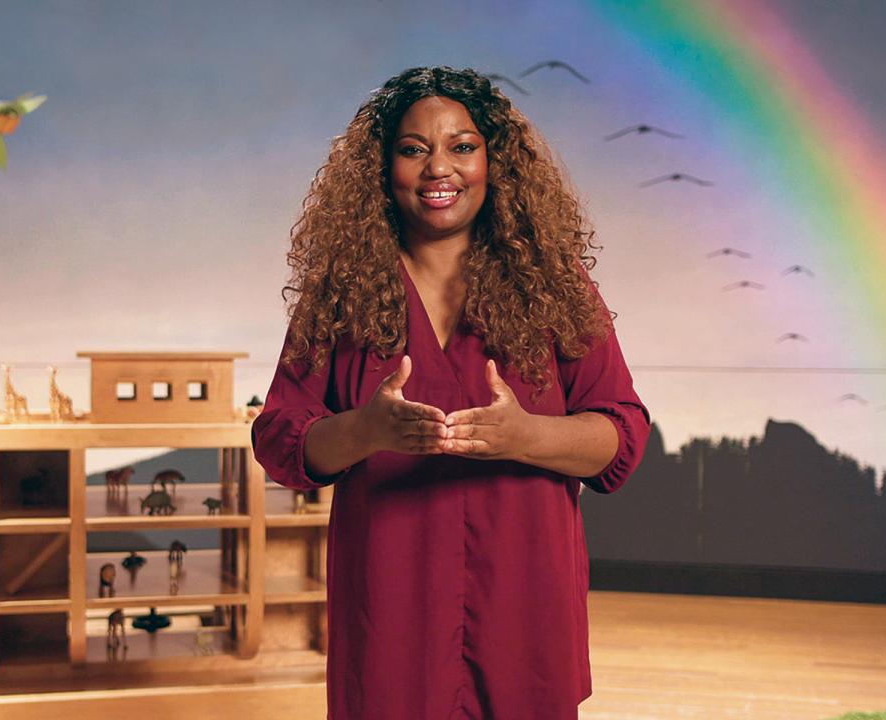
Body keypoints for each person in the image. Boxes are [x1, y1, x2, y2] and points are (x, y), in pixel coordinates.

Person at [251, 66, 651, 720]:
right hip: (391, 621)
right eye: (414, 149)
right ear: (383, 169)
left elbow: (622, 438)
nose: (440, 167)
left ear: (495, 162)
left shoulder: (556, 283)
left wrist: (527, 436)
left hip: (524, 612)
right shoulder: (341, 293)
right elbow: (279, 441)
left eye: (462, 146)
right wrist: (365, 432)